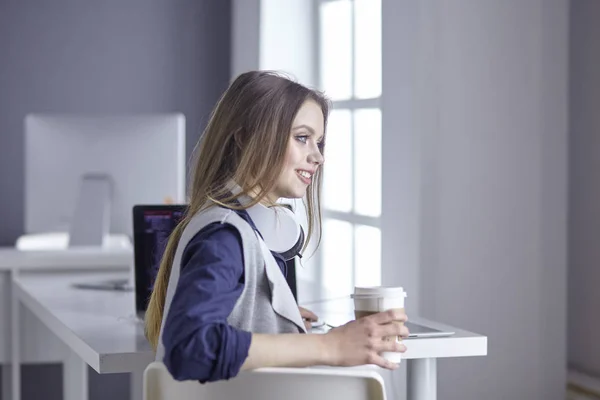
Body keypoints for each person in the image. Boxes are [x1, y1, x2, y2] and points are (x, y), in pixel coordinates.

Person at [144, 70, 409, 383]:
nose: (318, 157)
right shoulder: (223, 236)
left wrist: (278, 325)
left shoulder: (224, 228)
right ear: (245, 137)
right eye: (302, 138)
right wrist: (328, 346)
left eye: (319, 142)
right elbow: (188, 348)